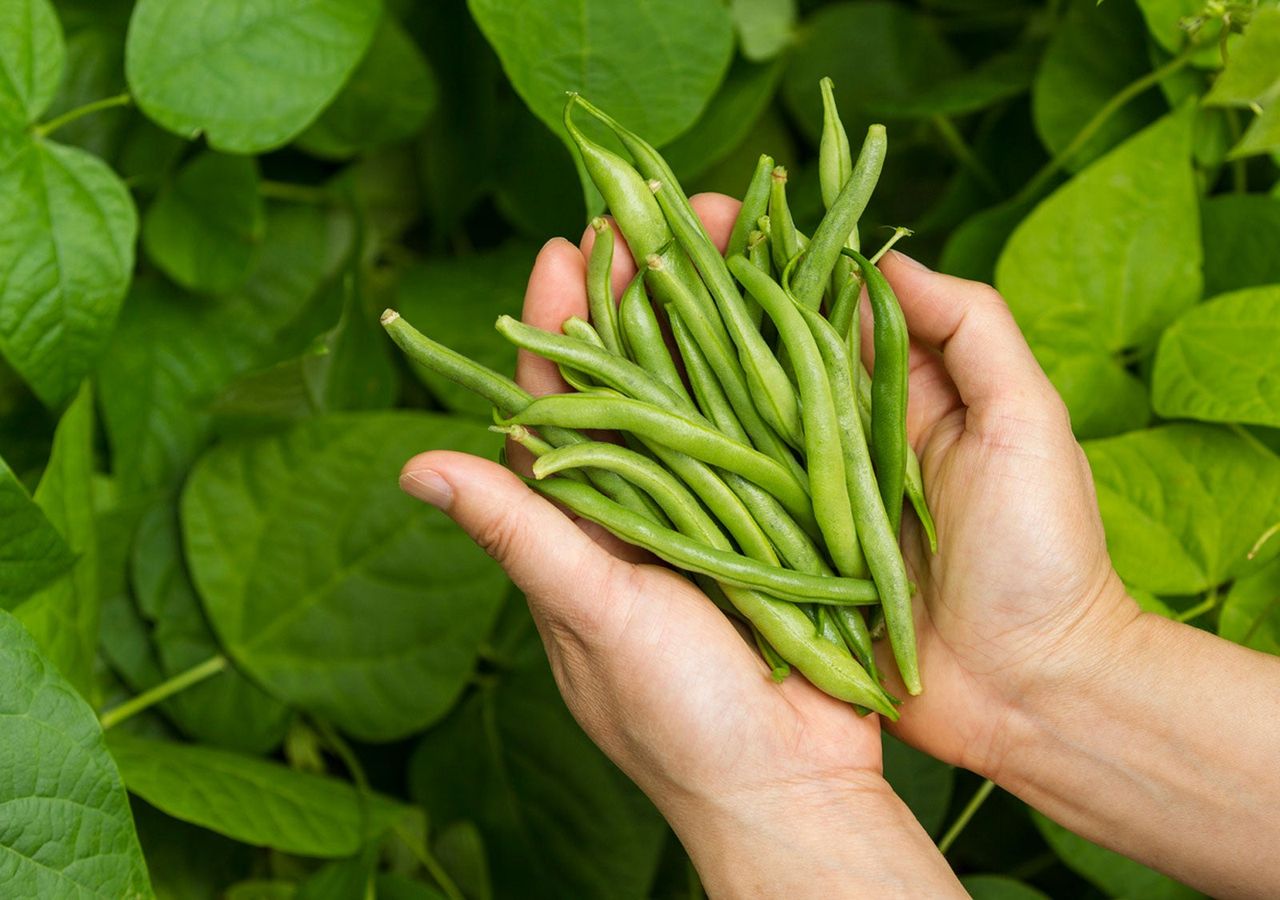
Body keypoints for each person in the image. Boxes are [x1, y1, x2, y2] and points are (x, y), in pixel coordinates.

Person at [397, 194, 1280, 898]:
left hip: (857, 607)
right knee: (710, 420)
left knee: (728, 409)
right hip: (860, 607)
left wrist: (780, 805)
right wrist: (1057, 665)